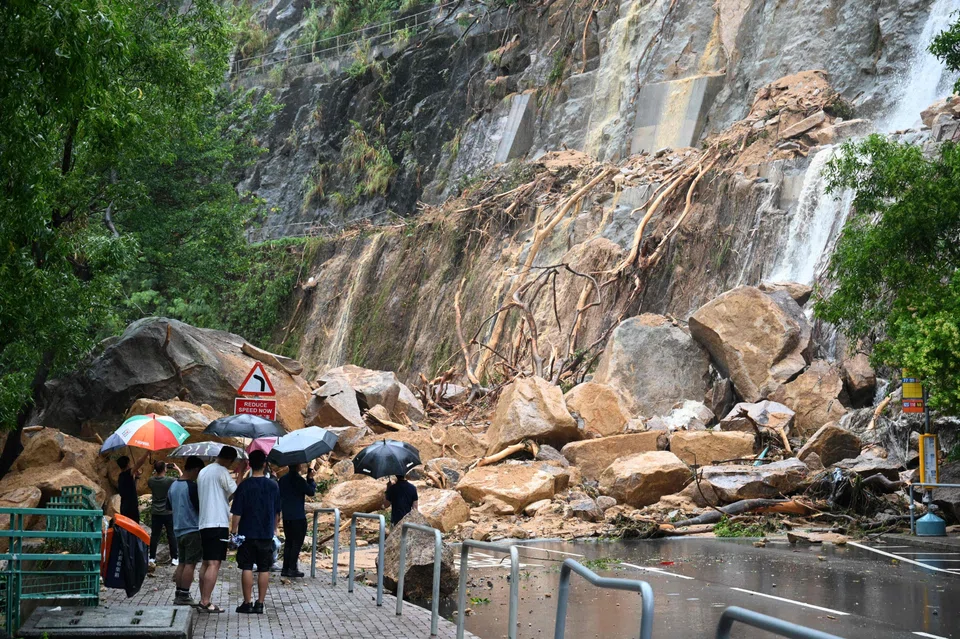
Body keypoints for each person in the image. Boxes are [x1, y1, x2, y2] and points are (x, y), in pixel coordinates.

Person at [230, 450, 281, 614]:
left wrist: (234, 531)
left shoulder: (244, 486)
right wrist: (274, 529)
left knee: (246, 567)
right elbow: (277, 513)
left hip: (247, 533)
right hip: (265, 534)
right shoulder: (273, 485)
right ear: (265, 464)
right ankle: (260, 603)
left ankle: (247, 603)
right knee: (264, 568)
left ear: (250, 464)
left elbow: (237, 512)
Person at [195, 445, 239, 614]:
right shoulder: (221, 471)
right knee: (215, 563)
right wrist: (240, 475)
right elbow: (235, 493)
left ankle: (203, 599)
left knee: (206, 562)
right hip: (218, 523)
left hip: (204, 523)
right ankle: (205, 602)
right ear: (229, 460)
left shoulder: (204, 472)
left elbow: (220, 496)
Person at [169, 456, 204, 606]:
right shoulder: (191, 487)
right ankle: (184, 595)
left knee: (182, 563)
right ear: (195, 469)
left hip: (178, 529)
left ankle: (179, 592)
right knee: (190, 564)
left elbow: (168, 506)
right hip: (192, 529)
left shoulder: (173, 486)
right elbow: (199, 507)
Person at [277, 463, 316, 577]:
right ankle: (292, 568)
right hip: (298, 516)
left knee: (289, 542)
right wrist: (310, 479)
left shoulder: (282, 480)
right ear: (298, 466)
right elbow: (311, 492)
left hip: (287, 516)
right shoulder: (299, 480)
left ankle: (285, 568)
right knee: (296, 543)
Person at [148, 460, 182, 566]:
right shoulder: (169, 480)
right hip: (168, 512)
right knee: (171, 535)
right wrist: (177, 468)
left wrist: (159, 468)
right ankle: (175, 558)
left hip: (155, 512)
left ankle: (152, 558)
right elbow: (182, 479)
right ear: (165, 469)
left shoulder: (151, 480)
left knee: (155, 536)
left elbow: (154, 477)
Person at [116, 454, 147, 523]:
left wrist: (136, 478)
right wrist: (147, 453)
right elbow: (139, 463)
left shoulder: (121, 476)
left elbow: (132, 488)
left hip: (125, 506)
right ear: (127, 464)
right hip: (131, 507)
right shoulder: (127, 474)